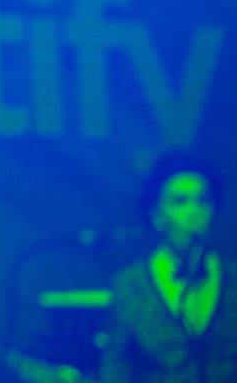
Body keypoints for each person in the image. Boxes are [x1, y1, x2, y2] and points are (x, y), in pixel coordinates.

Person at [100, 153, 237, 383]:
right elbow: (116, 366)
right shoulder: (129, 284)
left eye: (203, 201)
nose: (194, 212)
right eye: (179, 201)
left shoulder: (233, 277)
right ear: (157, 215)